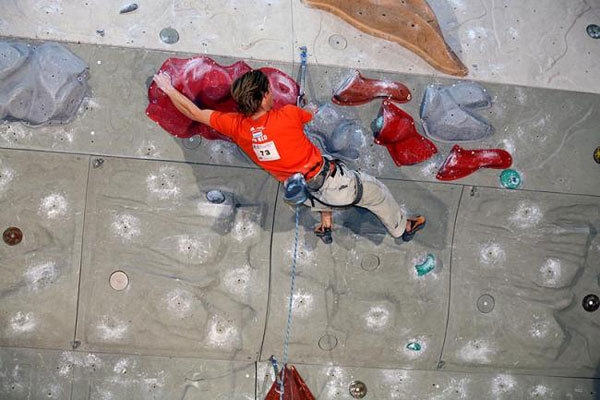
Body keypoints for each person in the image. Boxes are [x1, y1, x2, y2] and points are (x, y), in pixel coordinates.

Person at [153, 69, 426, 243]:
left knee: (317, 188)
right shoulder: (287, 115)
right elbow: (311, 114)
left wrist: (167, 88)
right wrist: (306, 105)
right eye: (269, 91)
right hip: (334, 183)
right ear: (262, 98)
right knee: (378, 194)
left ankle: (325, 224)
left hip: (300, 190)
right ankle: (402, 229)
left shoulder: (235, 126)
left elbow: (194, 113)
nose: (272, 94)